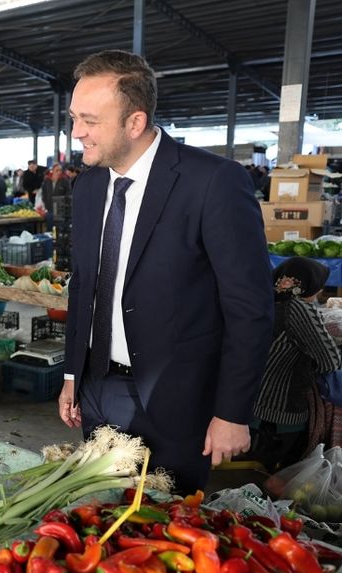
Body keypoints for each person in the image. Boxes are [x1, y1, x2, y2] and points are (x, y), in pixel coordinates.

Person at [58, 50, 273, 493]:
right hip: (97, 387)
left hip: (176, 398)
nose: (76, 132)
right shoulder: (89, 185)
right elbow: (83, 284)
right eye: (74, 117)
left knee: (166, 524)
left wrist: (232, 412)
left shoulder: (213, 182)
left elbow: (249, 307)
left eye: (90, 121)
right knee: (99, 508)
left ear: (135, 123)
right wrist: (70, 374)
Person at [250, 257, 341, 471]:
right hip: (277, 411)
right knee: (272, 476)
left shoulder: (266, 300)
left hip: (250, 403)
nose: (318, 295)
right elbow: (330, 360)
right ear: (307, 286)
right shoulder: (297, 309)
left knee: (253, 471)